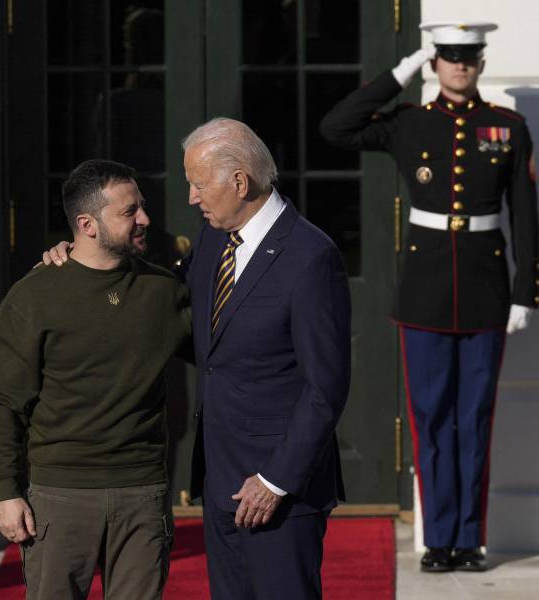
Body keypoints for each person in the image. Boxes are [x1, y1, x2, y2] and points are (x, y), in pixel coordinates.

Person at [44, 120, 351, 599]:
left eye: (198, 184)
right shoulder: (214, 239)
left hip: (280, 492)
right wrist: (83, 256)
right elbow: (167, 308)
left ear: (240, 182)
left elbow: (325, 388)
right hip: (221, 480)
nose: (191, 198)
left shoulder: (311, 257)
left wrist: (275, 481)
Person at [320, 22, 538, 573]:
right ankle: (438, 539)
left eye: (468, 56)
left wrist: (524, 293)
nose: (459, 65)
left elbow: (525, 217)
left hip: (487, 290)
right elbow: (336, 127)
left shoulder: (508, 128)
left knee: (475, 417)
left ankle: (470, 539)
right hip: (424, 293)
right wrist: (401, 70)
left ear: (481, 63)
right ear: (436, 63)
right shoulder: (410, 122)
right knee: (431, 417)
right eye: (449, 56)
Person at [0, 159, 191, 600]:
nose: (145, 219)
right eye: (129, 211)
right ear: (87, 224)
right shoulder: (33, 296)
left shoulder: (165, 291)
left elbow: (227, 354)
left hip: (142, 493)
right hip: (58, 496)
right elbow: (3, 402)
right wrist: (6, 491)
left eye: (142, 206)